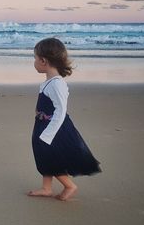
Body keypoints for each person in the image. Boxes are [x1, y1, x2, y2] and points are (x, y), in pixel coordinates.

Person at [28, 37, 101, 201]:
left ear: (43, 61)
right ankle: (46, 188)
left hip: (54, 128)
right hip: (43, 124)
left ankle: (69, 186)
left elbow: (61, 110)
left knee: (50, 156)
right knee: (43, 155)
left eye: (35, 58)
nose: (34, 61)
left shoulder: (57, 84)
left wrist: (48, 134)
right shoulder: (50, 81)